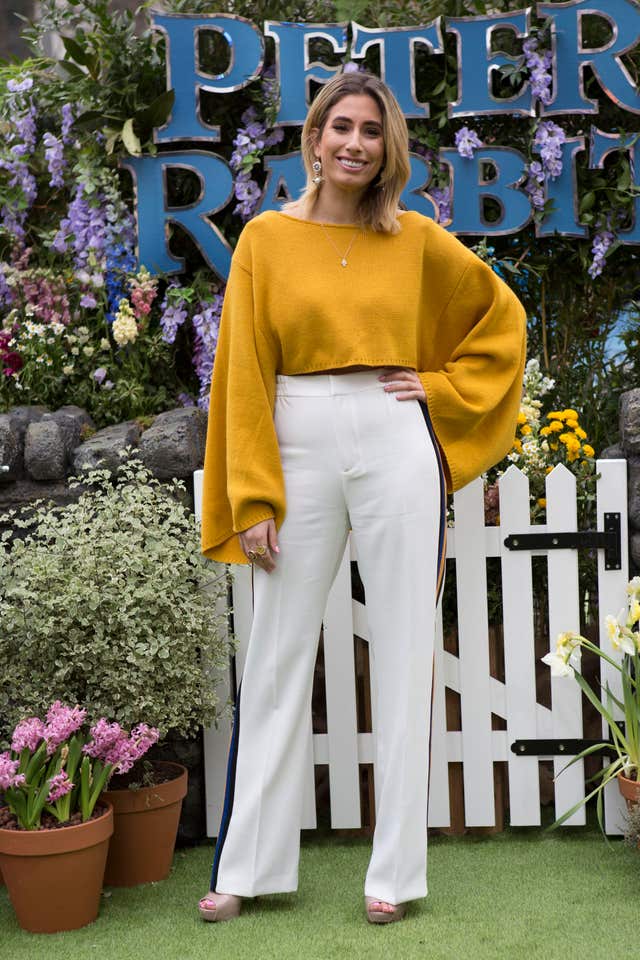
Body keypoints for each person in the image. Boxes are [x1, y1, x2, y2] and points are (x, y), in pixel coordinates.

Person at [198, 69, 526, 924]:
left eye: (371, 132)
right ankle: (247, 870)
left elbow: (502, 321)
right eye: (340, 126)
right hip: (298, 429)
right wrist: (253, 494)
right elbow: (241, 375)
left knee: (405, 652)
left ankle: (394, 878)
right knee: (274, 659)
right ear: (312, 140)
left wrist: (441, 388)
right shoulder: (265, 240)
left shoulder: (416, 240)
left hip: (392, 435)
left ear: (389, 150)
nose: (353, 142)